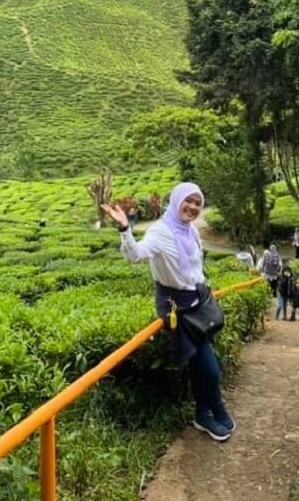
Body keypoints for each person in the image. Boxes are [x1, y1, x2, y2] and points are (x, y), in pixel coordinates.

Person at [101, 182, 235, 442]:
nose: (193, 207)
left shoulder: (191, 232)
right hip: (177, 308)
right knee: (209, 367)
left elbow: (196, 268)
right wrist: (124, 228)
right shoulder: (161, 231)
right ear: (176, 201)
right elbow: (136, 255)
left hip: (198, 303)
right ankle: (210, 410)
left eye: (198, 203)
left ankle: (206, 411)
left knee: (202, 365)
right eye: (189, 201)